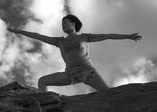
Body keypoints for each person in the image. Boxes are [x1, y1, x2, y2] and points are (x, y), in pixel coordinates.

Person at [8, 14, 142, 92]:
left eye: (65, 23)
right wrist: (19, 31)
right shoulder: (59, 41)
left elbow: (107, 36)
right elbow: (37, 35)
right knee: (42, 81)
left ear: (73, 23)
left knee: (109, 94)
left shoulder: (83, 37)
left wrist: (128, 36)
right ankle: (44, 107)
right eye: (62, 25)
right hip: (70, 74)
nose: (63, 26)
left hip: (89, 72)